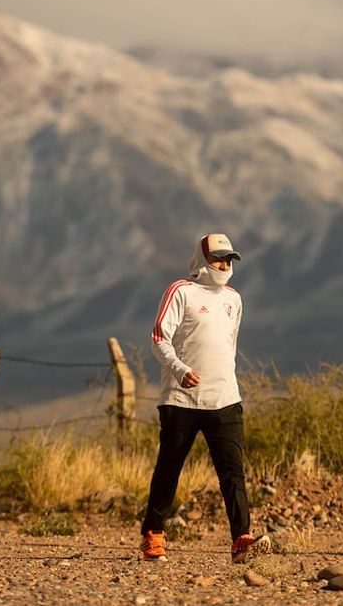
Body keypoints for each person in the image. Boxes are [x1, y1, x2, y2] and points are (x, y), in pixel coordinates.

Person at [139, 233, 271, 563]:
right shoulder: (181, 291)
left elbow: (229, 345)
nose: (225, 264)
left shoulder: (234, 300)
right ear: (201, 261)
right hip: (181, 400)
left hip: (225, 400)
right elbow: (158, 339)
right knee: (169, 468)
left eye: (229, 259)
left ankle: (242, 539)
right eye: (218, 258)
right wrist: (180, 369)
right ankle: (153, 535)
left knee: (232, 473)